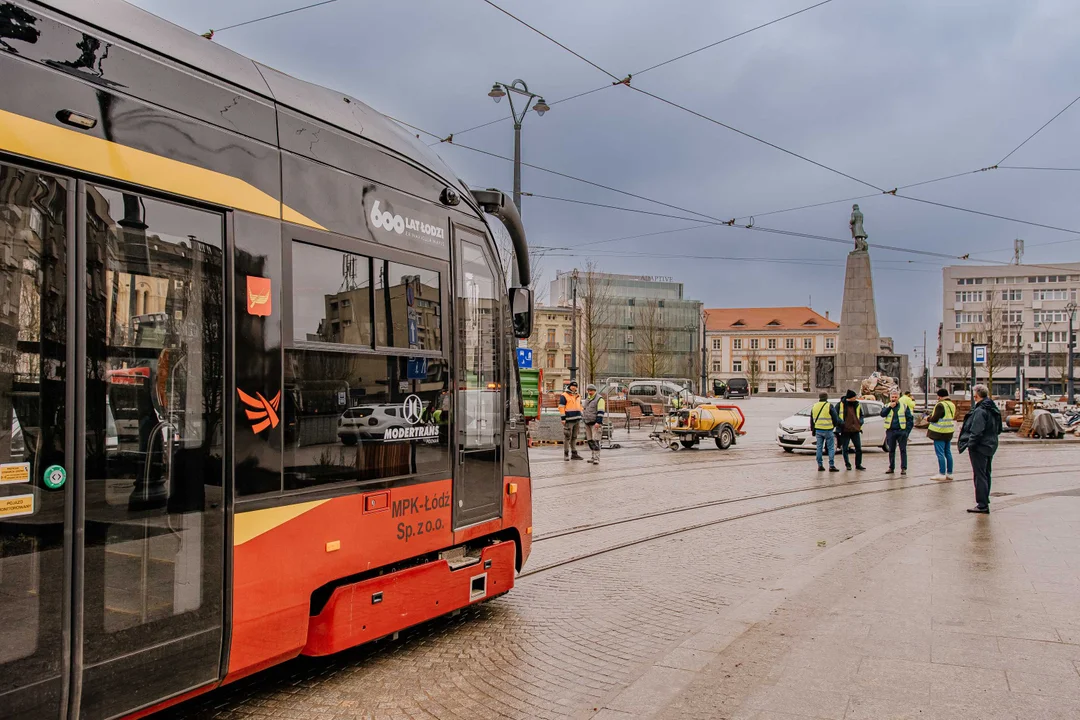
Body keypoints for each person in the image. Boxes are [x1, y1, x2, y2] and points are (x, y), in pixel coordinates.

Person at [958, 384, 1001, 514]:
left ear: (976, 395)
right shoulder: (993, 408)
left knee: (979, 475)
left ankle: (982, 504)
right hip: (991, 444)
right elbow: (999, 429)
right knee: (986, 473)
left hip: (980, 446)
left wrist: (970, 444)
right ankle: (984, 500)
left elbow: (977, 431)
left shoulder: (980, 411)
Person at [880, 390, 913, 475]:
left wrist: (906, 431)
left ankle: (903, 468)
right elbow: (882, 414)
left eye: (895, 397)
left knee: (903, 450)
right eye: (892, 397)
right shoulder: (887, 406)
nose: (894, 399)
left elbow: (910, 419)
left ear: (898, 398)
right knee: (891, 450)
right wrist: (889, 407)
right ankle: (891, 467)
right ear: (890, 397)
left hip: (901, 431)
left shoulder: (904, 406)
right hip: (891, 431)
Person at [926, 388, 956, 481]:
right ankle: (950, 473)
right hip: (949, 431)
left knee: (940, 453)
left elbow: (935, 418)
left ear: (939, 396)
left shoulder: (940, 405)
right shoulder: (952, 404)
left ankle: (942, 473)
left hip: (939, 432)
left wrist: (928, 418)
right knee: (948, 452)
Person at [811, 392, 842, 472]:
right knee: (831, 448)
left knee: (819, 447)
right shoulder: (829, 406)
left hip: (818, 429)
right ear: (826, 397)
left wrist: (813, 429)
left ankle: (820, 465)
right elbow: (835, 418)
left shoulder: (814, 406)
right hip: (828, 429)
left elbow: (811, 420)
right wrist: (834, 425)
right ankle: (831, 465)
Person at [835, 390, 866, 471]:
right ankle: (847, 464)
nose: (856, 398)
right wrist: (842, 423)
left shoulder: (857, 404)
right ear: (850, 397)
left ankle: (858, 464)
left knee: (858, 448)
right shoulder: (840, 405)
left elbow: (861, 415)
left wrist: (860, 422)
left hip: (855, 430)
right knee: (845, 449)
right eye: (854, 396)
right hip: (845, 430)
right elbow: (835, 416)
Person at [558, 380, 584, 461]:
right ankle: (566, 454)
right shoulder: (564, 395)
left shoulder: (578, 395)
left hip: (577, 419)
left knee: (574, 437)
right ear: (569, 386)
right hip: (569, 419)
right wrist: (563, 418)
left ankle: (574, 453)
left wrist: (581, 414)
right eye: (573, 386)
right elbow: (561, 407)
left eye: (575, 386)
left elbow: (580, 406)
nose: (574, 387)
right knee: (567, 437)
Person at [581, 384, 606, 464]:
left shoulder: (599, 399)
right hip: (587, 422)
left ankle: (596, 458)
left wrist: (598, 422)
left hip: (595, 423)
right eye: (588, 390)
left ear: (595, 391)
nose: (590, 392)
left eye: (591, 390)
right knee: (590, 440)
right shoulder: (587, 399)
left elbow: (601, 411)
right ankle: (593, 456)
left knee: (596, 440)